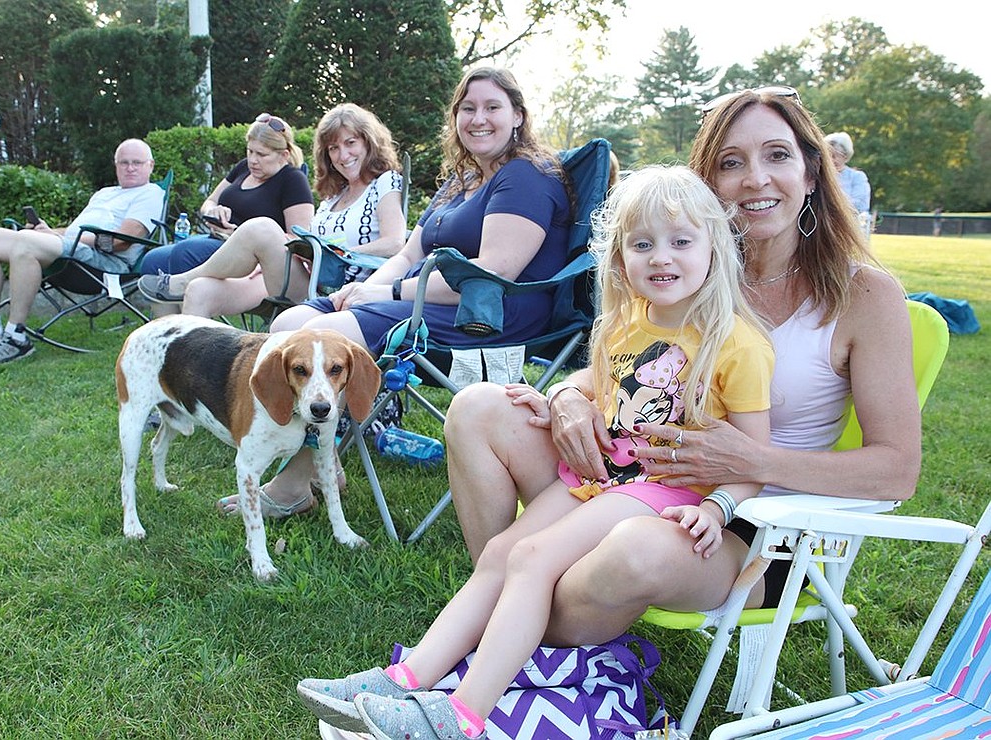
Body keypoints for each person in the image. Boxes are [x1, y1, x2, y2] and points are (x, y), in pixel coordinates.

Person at [438, 85, 918, 667]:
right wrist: (567, 396)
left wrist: (751, 463)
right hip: (629, 478)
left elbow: (897, 470)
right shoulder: (685, 269)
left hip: (749, 531)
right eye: (731, 163)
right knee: (478, 407)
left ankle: (494, 644)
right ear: (707, 186)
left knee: (628, 551)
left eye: (777, 155)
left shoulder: (863, 293)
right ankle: (492, 615)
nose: (756, 179)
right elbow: (626, 367)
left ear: (812, 172)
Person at [296, 165, 775, 739]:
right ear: (619, 256)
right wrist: (555, 401)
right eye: (641, 244)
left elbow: (753, 458)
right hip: (605, 476)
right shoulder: (626, 325)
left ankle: (462, 715)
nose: (660, 258)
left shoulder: (736, 343)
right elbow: (602, 392)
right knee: (502, 551)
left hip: (666, 490)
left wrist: (717, 509)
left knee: (531, 559)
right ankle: (407, 678)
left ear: (714, 247)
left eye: (680, 242)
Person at [257, 67, 571, 516]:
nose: (478, 118)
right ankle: (318, 461)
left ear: (518, 116)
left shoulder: (524, 177)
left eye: (492, 107)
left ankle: (295, 483)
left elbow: (492, 272)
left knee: (324, 337)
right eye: (467, 109)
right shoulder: (461, 180)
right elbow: (407, 254)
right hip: (422, 298)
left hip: (486, 315)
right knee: (288, 325)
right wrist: (365, 288)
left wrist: (392, 295)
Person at [145, 103, 406, 319]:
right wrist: (277, 255)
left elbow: (394, 243)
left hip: (342, 293)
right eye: (334, 148)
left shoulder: (384, 182)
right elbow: (307, 243)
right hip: (310, 280)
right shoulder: (334, 197)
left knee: (263, 227)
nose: (343, 155)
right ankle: (185, 376)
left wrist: (334, 253)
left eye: (351, 143)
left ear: (368, 143)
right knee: (200, 291)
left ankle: (179, 281)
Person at [0, 138, 166, 365]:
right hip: (72, 251)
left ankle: (16, 337)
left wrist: (56, 238)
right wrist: (50, 231)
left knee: (26, 241)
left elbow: (122, 241)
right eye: (124, 163)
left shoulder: (150, 193)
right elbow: (74, 231)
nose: (130, 168)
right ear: (115, 165)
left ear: (150, 165)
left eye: (137, 162)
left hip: (103, 264)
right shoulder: (105, 193)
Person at [137, 113, 314, 315]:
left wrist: (239, 232)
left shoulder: (292, 180)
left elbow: (298, 238)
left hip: (248, 257)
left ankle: (187, 326)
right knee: (153, 260)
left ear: (283, 155)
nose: (253, 160)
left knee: (184, 252)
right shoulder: (243, 168)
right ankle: (166, 335)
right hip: (216, 238)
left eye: (262, 154)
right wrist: (214, 211)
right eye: (250, 151)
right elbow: (209, 202)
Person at [825, 131, 871, 233]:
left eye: (834, 156)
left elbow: (860, 205)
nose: (829, 159)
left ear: (845, 157)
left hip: (850, 229)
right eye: (826, 155)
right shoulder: (817, 176)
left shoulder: (857, 177)